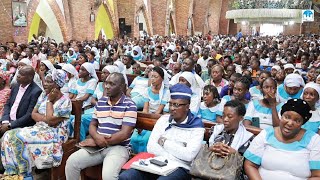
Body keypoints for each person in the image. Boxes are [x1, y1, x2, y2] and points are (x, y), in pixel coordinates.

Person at [119, 84, 205, 180]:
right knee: (126, 177)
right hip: (156, 162)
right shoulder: (163, 120)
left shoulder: (196, 126)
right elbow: (151, 147)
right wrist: (178, 148)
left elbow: (188, 156)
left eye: (176, 105)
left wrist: (164, 142)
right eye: (170, 104)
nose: (172, 108)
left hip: (180, 167)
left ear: (187, 107)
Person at [1, 70, 71, 179]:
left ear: (57, 84)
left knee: (18, 138)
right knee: (8, 135)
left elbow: (51, 121)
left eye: (49, 82)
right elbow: (33, 114)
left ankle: (25, 174)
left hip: (55, 133)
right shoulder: (43, 94)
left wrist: (49, 102)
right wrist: (46, 118)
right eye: (45, 81)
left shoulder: (65, 101)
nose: (45, 84)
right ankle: (13, 172)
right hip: (39, 128)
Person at [66, 72, 136, 180]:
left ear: (122, 87)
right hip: (98, 146)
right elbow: (93, 125)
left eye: (112, 84)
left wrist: (99, 141)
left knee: (108, 176)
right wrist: (97, 138)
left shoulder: (129, 105)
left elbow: (124, 134)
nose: (107, 86)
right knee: (72, 162)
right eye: (106, 83)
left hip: (119, 147)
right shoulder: (101, 102)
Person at [244, 99, 320, 179]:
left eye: (297, 120)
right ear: (281, 116)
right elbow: (250, 165)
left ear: (302, 123)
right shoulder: (266, 134)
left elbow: (317, 176)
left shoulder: (314, 140)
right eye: (287, 117)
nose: (290, 123)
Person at [1, 66, 42, 135]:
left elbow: (29, 115)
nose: (18, 76)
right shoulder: (15, 86)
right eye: (18, 73)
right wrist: (5, 121)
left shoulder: (36, 91)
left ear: (30, 77)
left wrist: (10, 125)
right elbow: (8, 104)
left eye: (22, 74)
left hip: (21, 125)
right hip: (7, 120)